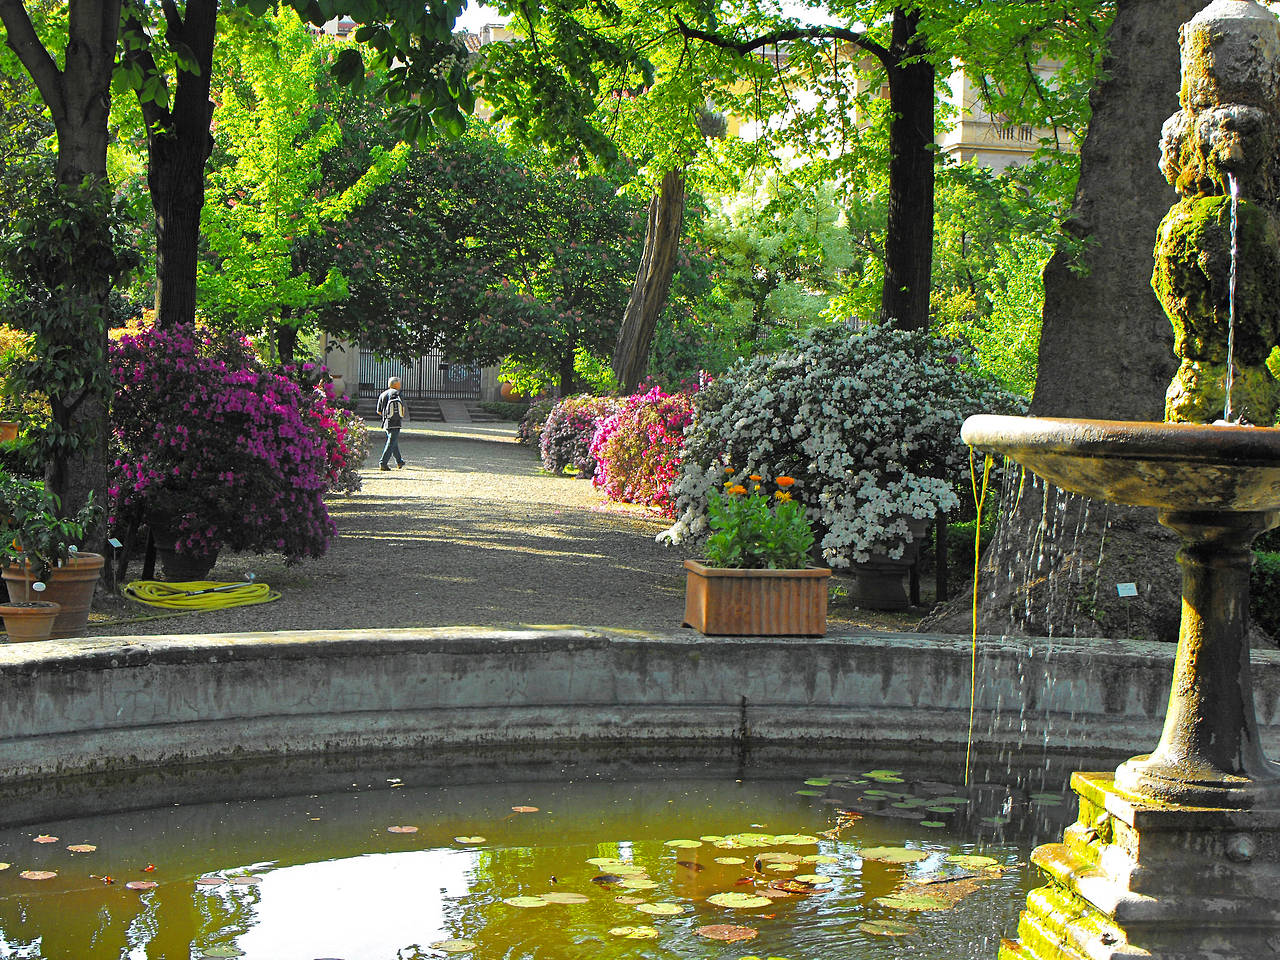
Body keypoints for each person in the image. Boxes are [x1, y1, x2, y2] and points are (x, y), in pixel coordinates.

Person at [376, 377, 408, 470]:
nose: (400, 385)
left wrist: (386, 415)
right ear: (396, 385)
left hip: (386, 422)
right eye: (399, 383)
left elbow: (378, 411)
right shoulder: (397, 393)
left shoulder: (383, 394)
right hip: (396, 421)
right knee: (391, 442)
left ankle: (399, 461)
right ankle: (383, 463)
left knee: (393, 441)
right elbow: (402, 408)